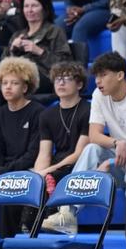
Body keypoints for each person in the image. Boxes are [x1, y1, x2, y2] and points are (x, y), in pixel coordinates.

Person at [42, 52, 126, 234]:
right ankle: (67, 214)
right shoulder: (99, 96)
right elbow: (94, 136)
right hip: (120, 159)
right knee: (92, 148)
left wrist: (110, 162)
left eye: (103, 75)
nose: (98, 81)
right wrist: (117, 143)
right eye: (96, 76)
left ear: (120, 75)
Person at [0, 57, 44, 237]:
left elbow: (32, 154)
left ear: (25, 87)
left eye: (14, 83)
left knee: (10, 187)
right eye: (4, 83)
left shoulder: (38, 112)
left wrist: (1, 173)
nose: (8, 87)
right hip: (2, 170)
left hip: (25, 170)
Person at [32, 61, 90, 193]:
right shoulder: (46, 115)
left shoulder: (89, 110)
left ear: (79, 84)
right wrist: (38, 174)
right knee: (31, 188)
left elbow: (79, 153)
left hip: (79, 165)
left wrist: (49, 170)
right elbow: (44, 154)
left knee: (54, 179)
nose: (61, 83)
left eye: (68, 79)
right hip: (56, 165)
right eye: (58, 79)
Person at [4, 0, 73, 96]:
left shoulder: (55, 31)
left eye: (34, 6)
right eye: (26, 6)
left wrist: (40, 52)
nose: (29, 10)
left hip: (43, 78)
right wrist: (12, 50)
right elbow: (3, 66)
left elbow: (65, 65)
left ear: (45, 9)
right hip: (15, 78)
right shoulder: (17, 35)